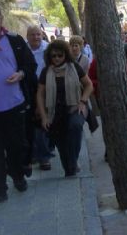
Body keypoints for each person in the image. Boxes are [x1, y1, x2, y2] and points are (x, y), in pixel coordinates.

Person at [0, 5, 37, 207]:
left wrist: (20, 74)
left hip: (14, 106)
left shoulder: (15, 41)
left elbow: (30, 66)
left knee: (16, 146)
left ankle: (18, 176)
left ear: (1, 20)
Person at [35, 39, 92, 177]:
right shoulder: (46, 72)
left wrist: (83, 102)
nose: (57, 58)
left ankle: (74, 160)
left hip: (75, 108)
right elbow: (40, 95)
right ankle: (70, 167)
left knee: (75, 127)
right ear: (49, 56)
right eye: (53, 56)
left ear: (65, 55)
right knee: (62, 145)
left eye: (60, 55)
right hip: (55, 112)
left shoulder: (74, 67)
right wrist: (44, 117)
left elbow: (89, 85)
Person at [27, 25, 54, 171]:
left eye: (38, 34)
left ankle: (44, 156)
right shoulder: (23, 49)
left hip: (45, 88)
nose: (35, 37)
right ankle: (35, 153)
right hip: (27, 89)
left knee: (41, 121)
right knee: (31, 122)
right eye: (32, 34)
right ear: (27, 36)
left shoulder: (48, 49)